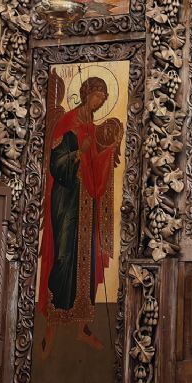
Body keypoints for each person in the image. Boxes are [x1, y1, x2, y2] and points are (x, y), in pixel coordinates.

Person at [40, 74, 121, 356]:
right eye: (97, 96)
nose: (99, 102)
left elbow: (96, 160)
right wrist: (77, 154)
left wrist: (108, 150)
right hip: (66, 200)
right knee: (64, 256)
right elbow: (55, 164)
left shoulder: (91, 127)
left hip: (87, 202)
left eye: (103, 99)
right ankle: (51, 324)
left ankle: (81, 327)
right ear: (86, 93)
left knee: (88, 259)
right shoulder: (68, 123)